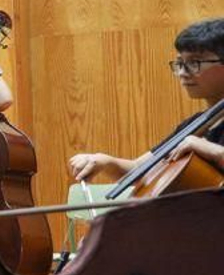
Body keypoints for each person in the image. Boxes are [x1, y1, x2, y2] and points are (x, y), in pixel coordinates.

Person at [69, 18, 224, 182]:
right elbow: (141, 171)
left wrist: (211, 150)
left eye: (194, 62)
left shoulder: (195, 138)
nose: (182, 73)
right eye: (179, 63)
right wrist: (104, 162)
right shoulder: (194, 125)